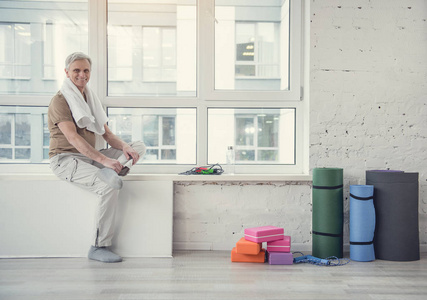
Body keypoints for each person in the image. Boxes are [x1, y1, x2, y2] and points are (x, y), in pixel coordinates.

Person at [48, 52, 146, 263]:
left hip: (90, 158)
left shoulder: (89, 98)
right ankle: (98, 246)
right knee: (108, 186)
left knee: (138, 146)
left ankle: (116, 170)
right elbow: (73, 138)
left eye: (86, 70)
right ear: (67, 72)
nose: (82, 75)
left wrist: (126, 148)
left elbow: (108, 135)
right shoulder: (60, 101)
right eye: (76, 70)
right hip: (66, 160)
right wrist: (104, 161)